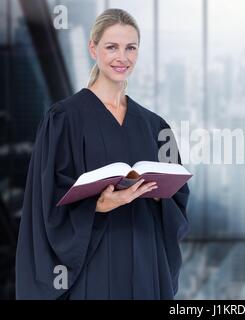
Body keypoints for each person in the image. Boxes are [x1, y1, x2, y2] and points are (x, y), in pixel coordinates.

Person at [15, 8, 190, 299]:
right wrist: (97, 205)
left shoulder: (155, 125)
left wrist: (161, 194)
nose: (122, 57)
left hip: (146, 264)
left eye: (130, 48)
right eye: (112, 47)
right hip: (92, 268)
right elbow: (45, 203)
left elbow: (179, 202)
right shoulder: (63, 119)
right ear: (93, 48)